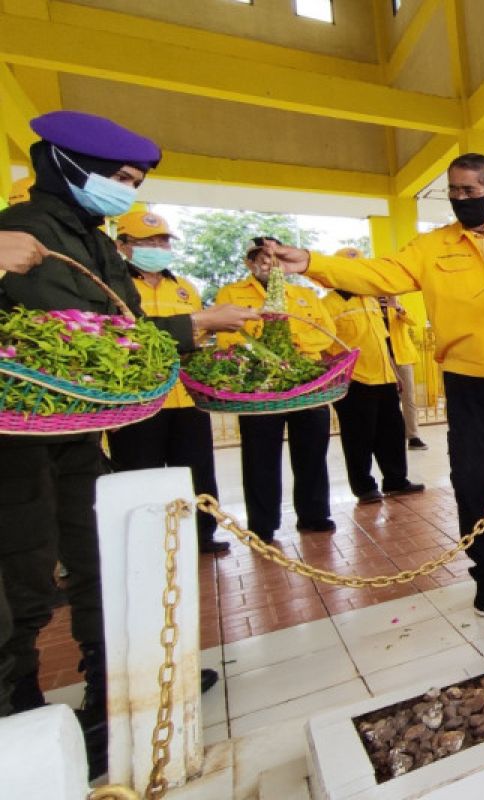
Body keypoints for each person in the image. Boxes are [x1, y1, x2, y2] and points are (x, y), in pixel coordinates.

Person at [0, 110, 255, 778]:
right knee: (22, 575)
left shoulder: (95, 240)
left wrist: (199, 330)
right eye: (118, 177)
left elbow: (128, 326)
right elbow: (85, 336)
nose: (127, 190)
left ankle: (110, 696)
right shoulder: (21, 232)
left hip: (77, 435)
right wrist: (195, 323)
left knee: (98, 561)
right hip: (18, 439)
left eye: (134, 180)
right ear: (65, 165)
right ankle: (17, 708)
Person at [262, 154, 484, 617]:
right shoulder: (431, 247)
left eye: (469, 191)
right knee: (473, 480)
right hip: (469, 382)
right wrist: (311, 262)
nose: (459, 199)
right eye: (453, 191)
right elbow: (378, 274)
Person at [107, 210, 230, 554]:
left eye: (163, 240)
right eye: (148, 241)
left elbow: (198, 335)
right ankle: (146, 543)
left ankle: (203, 533)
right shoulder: (114, 286)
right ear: (122, 245)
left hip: (186, 398)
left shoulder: (184, 288)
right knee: (139, 473)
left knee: (197, 470)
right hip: (137, 401)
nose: (158, 247)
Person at [216, 238, 336, 542]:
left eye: (272, 256)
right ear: (249, 262)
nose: (267, 262)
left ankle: (314, 514)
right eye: (260, 257)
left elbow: (326, 332)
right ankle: (262, 524)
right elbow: (227, 339)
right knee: (260, 455)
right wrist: (268, 353)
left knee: (312, 451)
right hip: (259, 384)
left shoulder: (304, 294)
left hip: (306, 383)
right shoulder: (232, 294)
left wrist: (297, 347)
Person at [321, 249, 425, 506]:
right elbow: (323, 346)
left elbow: (382, 339)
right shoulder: (329, 305)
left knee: (392, 431)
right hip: (354, 381)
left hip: (384, 377)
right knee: (358, 436)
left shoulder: (370, 299)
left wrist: (392, 371)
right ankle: (364, 487)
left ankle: (395, 480)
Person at [385, 296, 429, 451]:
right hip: (381, 358)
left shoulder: (398, 300)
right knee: (388, 400)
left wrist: (398, 307)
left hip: (402, 356)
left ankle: (413, 436)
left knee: (408, 397)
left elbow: (413, 321)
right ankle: (392, 436)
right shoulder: (368, 302)